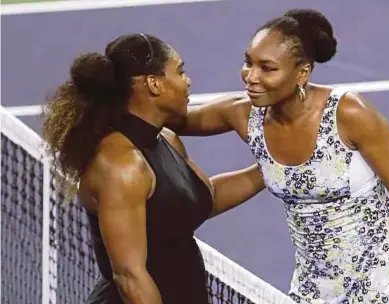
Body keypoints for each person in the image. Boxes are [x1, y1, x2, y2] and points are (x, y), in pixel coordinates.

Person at [171, 8, 389, 303]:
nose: (251, 76)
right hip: (314, 288)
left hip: (381, 280)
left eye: (267, 68)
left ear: (302, 73)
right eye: (248, 62)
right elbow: (164, 118)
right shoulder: (244, 115)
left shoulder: (349, 114)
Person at [41, 33, 265, 304]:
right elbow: (130, 276)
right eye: (180, 71)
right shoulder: (120, 164)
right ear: (154, 84)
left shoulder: (166, 139)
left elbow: (203, 198)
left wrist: (271, 168)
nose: (188, 80)